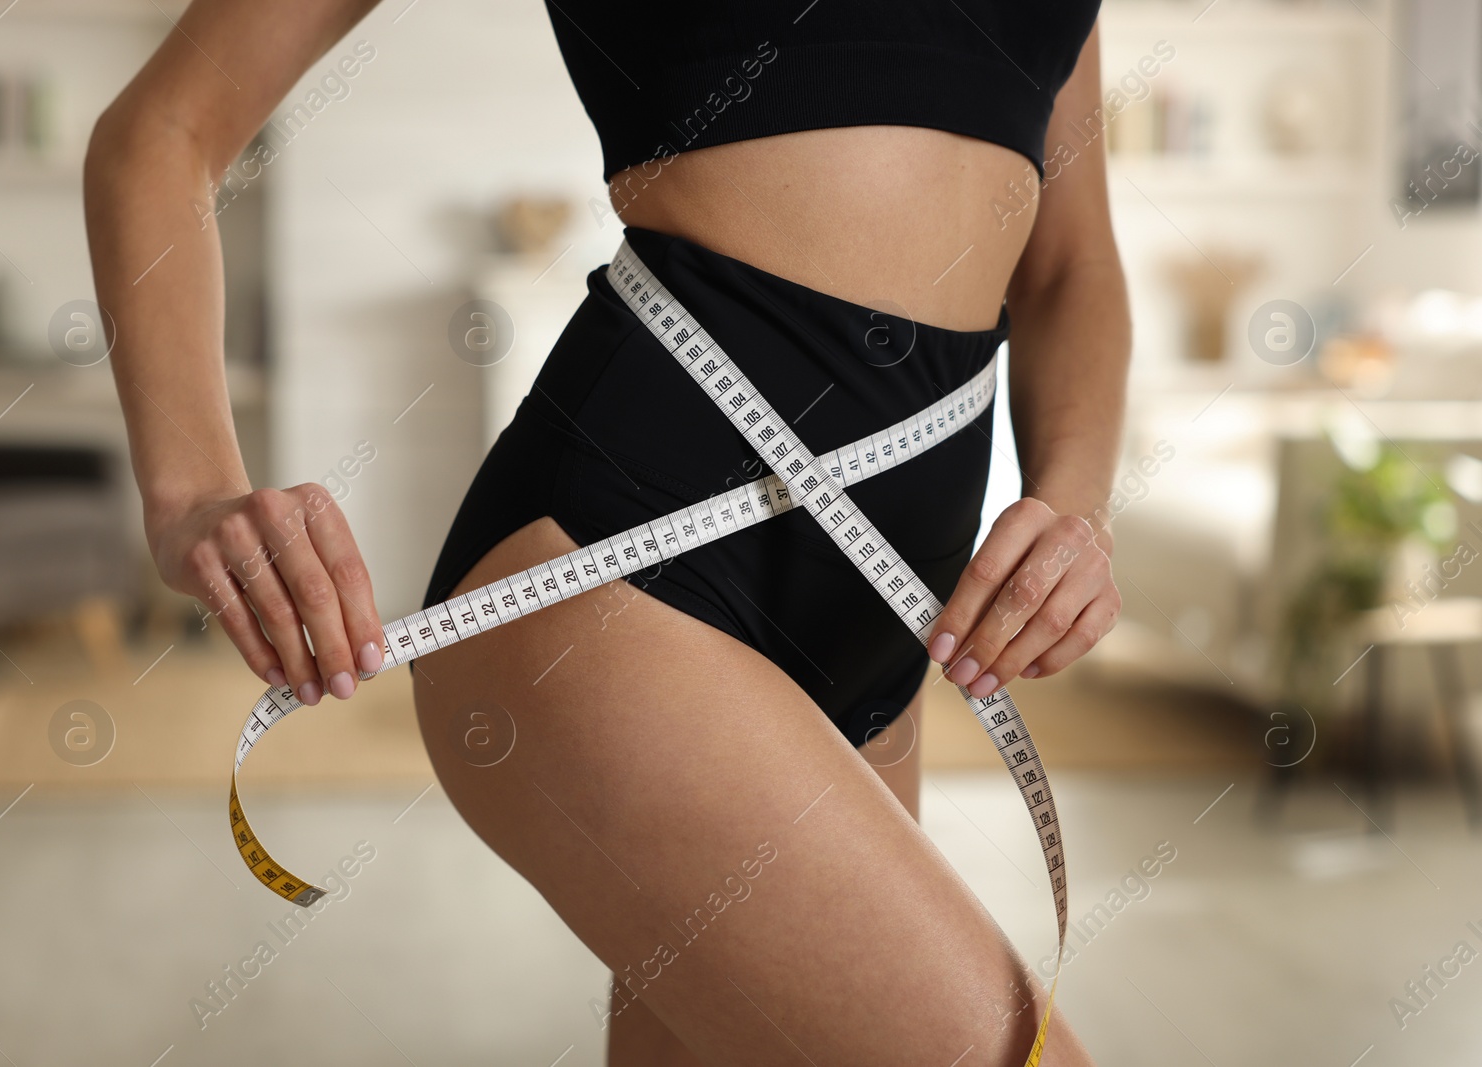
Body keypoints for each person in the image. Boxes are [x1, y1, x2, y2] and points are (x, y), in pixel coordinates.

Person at [84, 1, 1127, 1063]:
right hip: (621, 559)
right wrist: (188, 493)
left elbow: (1068, 265)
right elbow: (162, 132)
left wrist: (1077, 504)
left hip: (888, 609)